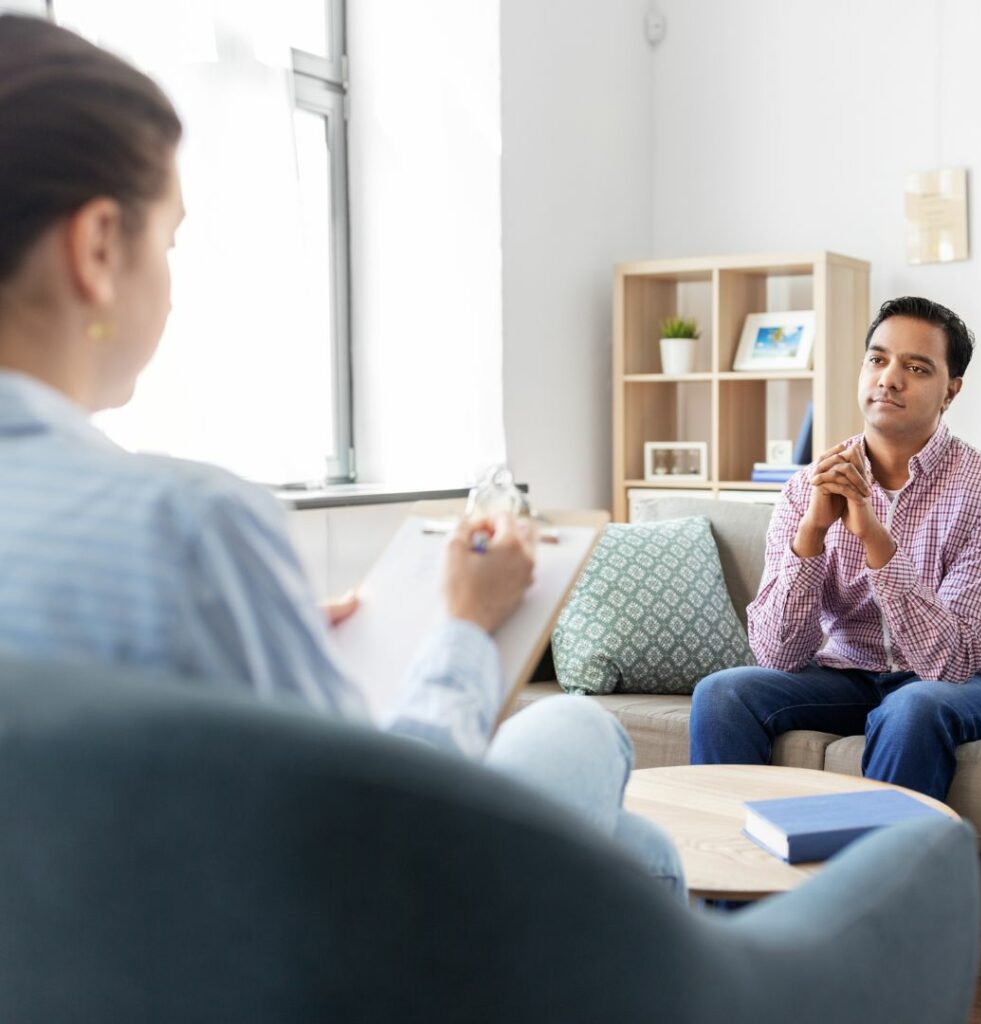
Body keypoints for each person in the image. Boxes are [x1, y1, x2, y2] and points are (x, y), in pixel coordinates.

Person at [0, 15, 682, 896]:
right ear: (96, 247)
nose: (170, 288)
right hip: (316, 951)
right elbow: (380, 851)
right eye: (168, 241)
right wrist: (466, 628)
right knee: (586, 746)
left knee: (623, 843)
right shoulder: (184, 529)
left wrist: (260, 626)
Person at [690, 296, 981, 801]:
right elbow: (778, 653)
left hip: (975, 681)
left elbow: (950, 662)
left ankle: (873, 879)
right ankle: (732, 868)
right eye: (877, 359)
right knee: (722, 693)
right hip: (850, 673)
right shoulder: (807, 488)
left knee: (912, 706)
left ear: (950, 391)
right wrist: (812, 532)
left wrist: (873, 537)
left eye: (916, 367)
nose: (889, 378)